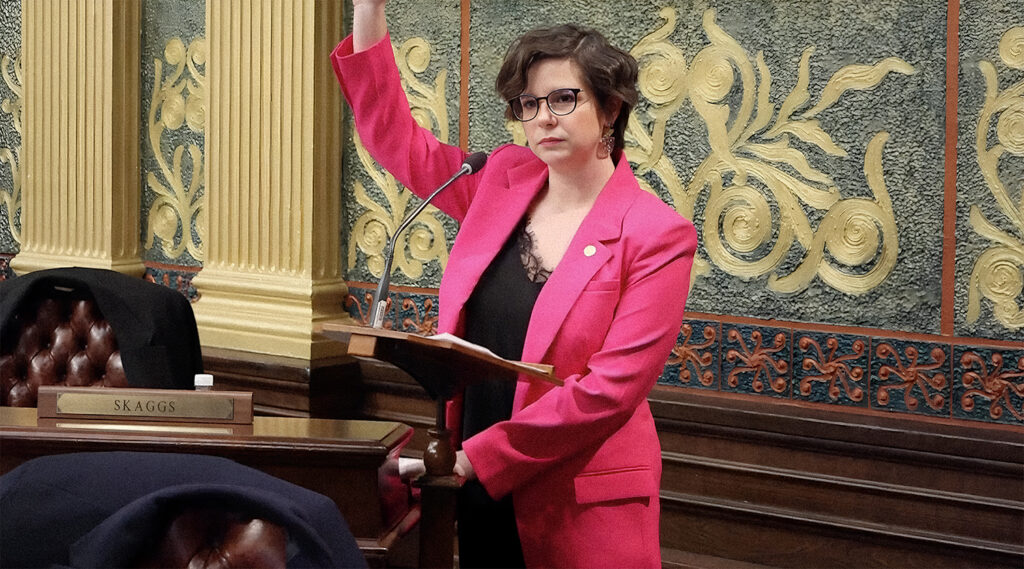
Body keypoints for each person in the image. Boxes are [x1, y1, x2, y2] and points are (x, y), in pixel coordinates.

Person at [331, 2, 697, 567]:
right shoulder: (500, 180)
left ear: (610, 110)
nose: (542, 117)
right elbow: (396, 138)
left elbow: (610, 392)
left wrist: (480, 457)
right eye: (529, 104)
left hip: (575, 501)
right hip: (476, 482)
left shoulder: (657, 235)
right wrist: (369, 11)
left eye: (562, 99)